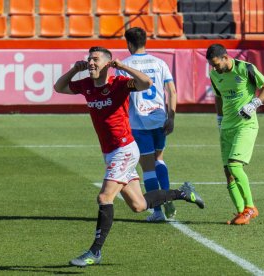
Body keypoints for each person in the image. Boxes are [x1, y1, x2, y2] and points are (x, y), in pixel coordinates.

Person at [54, 46, 205, 267]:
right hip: (110, 153)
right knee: (139, 205)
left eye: (95, 59)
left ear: (108, 63)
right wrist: (74, 71)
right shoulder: (85, 84)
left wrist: (123, 67)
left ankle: (94, 252)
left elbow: (146, 84)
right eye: (89, 59)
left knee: (104, 198)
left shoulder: (119, 84)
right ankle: (183, 193)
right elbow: (59, 88)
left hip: (124, 150)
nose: (91, 63)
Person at [206, 44, 264, 225]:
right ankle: (241, 211)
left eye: (217, 64)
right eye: (212, 66)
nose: (215, 68)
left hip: (246, 125)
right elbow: (219, 97)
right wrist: (219, 119)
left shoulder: (245, 68)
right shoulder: (214, 75)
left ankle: (251, 207)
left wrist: (254, 103)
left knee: (235, 166)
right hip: (226, 127)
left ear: (225, 57)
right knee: (228, 172)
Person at [116, 27, 178, 222]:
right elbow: (172, 91)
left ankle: (157, 211)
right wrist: (171, 117)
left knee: (148, 168)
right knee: (160, 159)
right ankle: (168, 199)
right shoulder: (160, 63)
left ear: (129, 44)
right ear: (145, 41)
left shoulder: (124, 65)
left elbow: (120, 95)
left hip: (139, 122)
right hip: (159, 118)